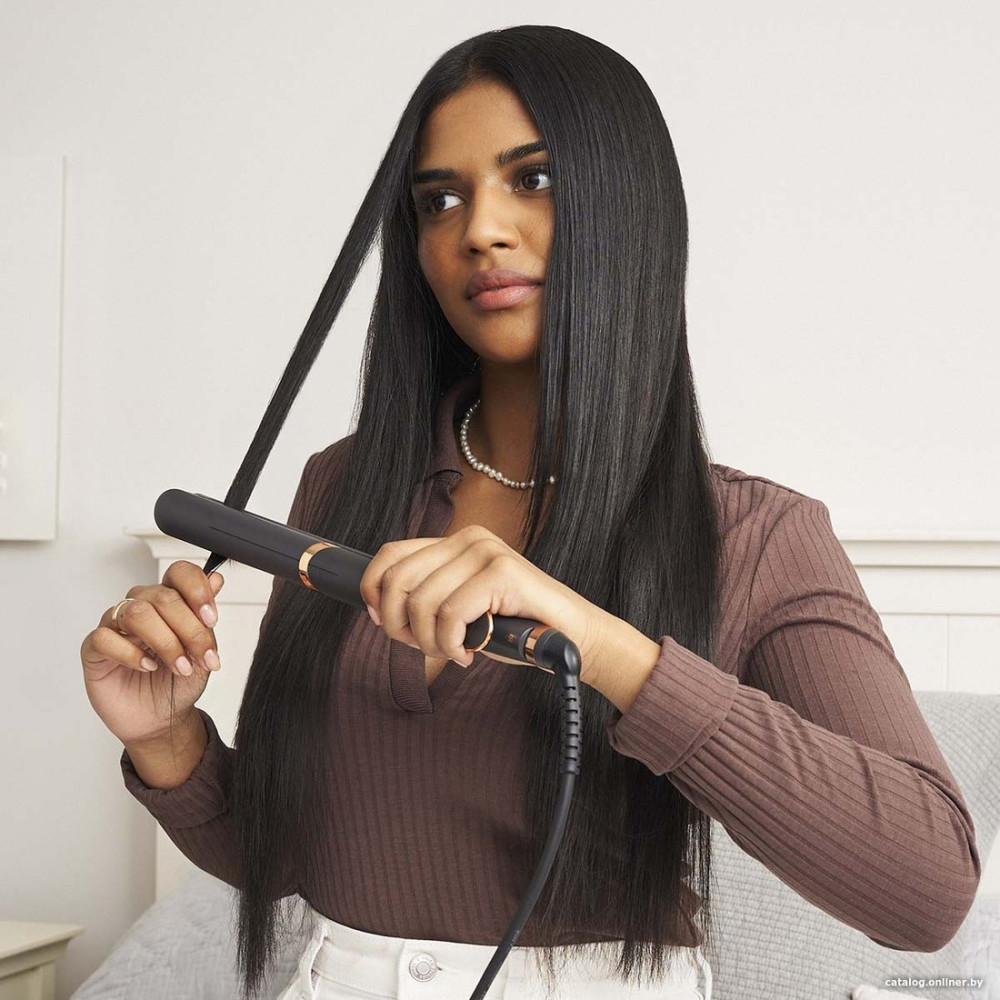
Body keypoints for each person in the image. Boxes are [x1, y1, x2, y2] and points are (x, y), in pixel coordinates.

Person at [79, 25, 980, 1000]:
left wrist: (603, 645)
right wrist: (167, 740)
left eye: (534, 180)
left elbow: (926, 890)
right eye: (440, 198)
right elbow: (291, 858)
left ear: (627, 208)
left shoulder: (755, 537)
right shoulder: (344, 488)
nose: (480, 230)